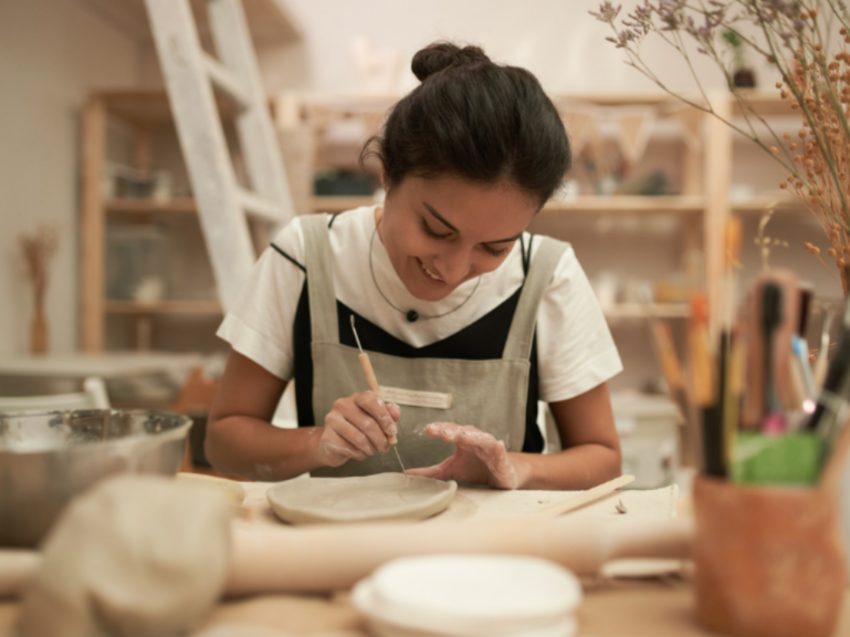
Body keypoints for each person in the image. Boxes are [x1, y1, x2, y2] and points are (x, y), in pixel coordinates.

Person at [206, 41, 623, 490]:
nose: (455, 268)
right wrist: (318, 443)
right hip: (338, 552)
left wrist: (517, 468)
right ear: (386, 172)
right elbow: (225, 442)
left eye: (495, 248)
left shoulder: (547, 273)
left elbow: (602, 458)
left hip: (493, 555)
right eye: (436, 230)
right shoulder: (306, 257)